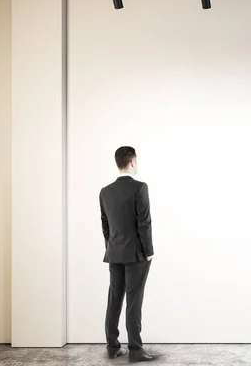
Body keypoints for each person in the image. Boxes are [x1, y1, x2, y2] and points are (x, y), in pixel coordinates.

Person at [100, 146, 157, 363]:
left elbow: (105, 225)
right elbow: (144, 222)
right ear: (132, 162)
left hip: (114, 253)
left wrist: (111, 247)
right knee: (134, 301)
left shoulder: (105, 191)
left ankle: (112, 346)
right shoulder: (140, 187)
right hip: (136, 255)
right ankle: (135, 350)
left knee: (114, 299)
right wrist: (149, 251)